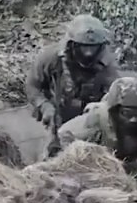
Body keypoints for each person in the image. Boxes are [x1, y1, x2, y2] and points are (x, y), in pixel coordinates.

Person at [57, 76, 137, 194]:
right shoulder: (98, 119)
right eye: (126, 113)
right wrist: (93, 163)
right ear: (114, 111)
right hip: (104, 179)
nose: (134, 119)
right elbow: (65, 134)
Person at [25, 14, 121, 159]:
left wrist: (101, 112)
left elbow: (115, 96)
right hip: (58, 113)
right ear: (72, 44)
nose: (88, 53)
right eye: (84, 47)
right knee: (52, 154)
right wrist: (44, 105)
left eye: (93, 48)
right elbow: (32, 85)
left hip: (89, 117)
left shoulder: (107, 65)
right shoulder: (51, 57)